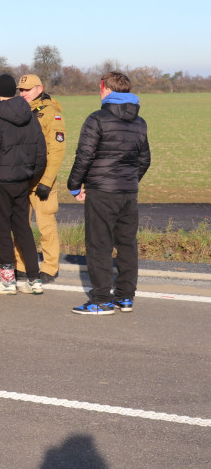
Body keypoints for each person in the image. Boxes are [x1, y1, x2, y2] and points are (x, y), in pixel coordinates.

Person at [67, 71, 150, 315]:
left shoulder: (97, 119)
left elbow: (84, 156)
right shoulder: (139, 122)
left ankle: (101, 300)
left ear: (105, 88)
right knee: (127, 244)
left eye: (99, 87)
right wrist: (130, 180)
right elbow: (145, 159)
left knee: (99, 245)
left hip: (102, 192)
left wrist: (74, 186)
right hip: (128, 192)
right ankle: (125, 297)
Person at [0, 74, 47, 295]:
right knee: (23, 227)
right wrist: (31, 174)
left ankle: (7, 280)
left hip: (0, 181)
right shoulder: (30, 114)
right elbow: (41, 151)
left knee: (0, 229)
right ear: (14, 92)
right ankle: (34, 279)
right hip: (22, 180)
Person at [16, 73, 68, 283]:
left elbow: (57, 151)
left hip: (41, 180)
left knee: (46, 225)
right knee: (20, 224)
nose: (23, 93)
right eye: (21, 90)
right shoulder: (20, 111)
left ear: (40, 88)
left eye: (27, 89)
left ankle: (49, 267)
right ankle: (21, 264)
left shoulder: (51, 114)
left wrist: (47, 182)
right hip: (21, 177)